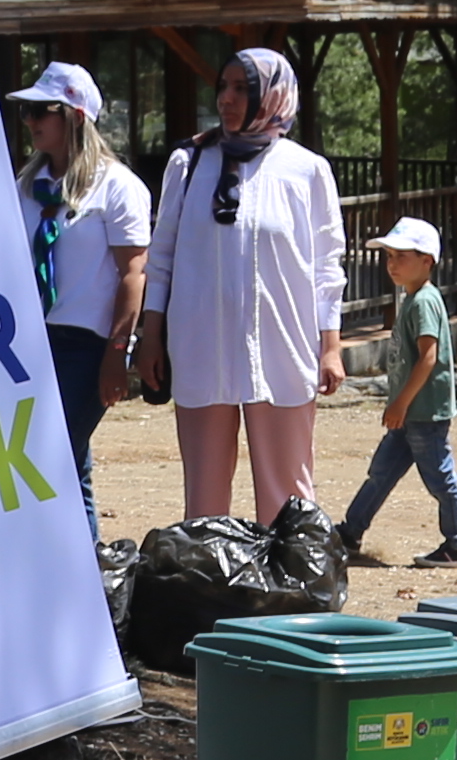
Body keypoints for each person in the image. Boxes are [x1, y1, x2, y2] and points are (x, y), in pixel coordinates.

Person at [133, 47, 345, 523]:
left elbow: (327, 266)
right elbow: (161, 256)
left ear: (273, 96)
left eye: (241, 88)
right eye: (222, 87)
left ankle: (292, 592)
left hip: (282, 350)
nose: (226, 99)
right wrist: (151, 336)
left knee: (287, 496)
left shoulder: (306, 171)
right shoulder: (188, 165)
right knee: (204, 500)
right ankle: (212, 587)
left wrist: (329, 346)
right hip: (201, 350)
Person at [15, 62, 149, 490]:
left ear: (74, 115)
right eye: (27, 112)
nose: (30, 121)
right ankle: (86, 557)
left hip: (87, 344)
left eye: (41, 111)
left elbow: (134, 271)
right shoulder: (25, 185)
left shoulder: (116, 186)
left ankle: (74, 556)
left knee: (50, 459)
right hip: (29, 339)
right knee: (69, 466)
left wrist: (117, 352)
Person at [336, 217, 457, 570]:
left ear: (427, 260)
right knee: (381, 472)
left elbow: (429, 357)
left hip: (423, 413)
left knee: (439, 477)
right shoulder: (412, 299)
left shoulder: (424, 301)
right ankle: (349, 533)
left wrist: (400, 402)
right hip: (410, 413)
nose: (392, 264)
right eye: (389, 256)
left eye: (401, 256)